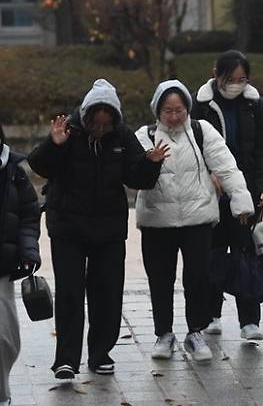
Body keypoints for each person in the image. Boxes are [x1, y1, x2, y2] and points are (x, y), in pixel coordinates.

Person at [28, 79, 167, 379]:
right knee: (70, 294)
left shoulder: (122, 136)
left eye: (106, 125)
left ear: (114, 120)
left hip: (108, 229)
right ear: (86, 116)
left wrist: (151, 163)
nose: (100, 130)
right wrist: (55, 144)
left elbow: (137, 178)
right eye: (96, 124)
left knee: (107, 293)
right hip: (68, 227)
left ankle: (100, 352)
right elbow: (39, 166)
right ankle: (66, 359)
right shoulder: (68, 131)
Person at [135, 79, 254, 362]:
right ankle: (163, 333)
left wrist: (240, 199)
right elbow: (135, 176)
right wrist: (149, 162)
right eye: (168, 111)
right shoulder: (144, 135)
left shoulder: (202, 130)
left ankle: (195, 331)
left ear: (188, 108)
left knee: (198, 277)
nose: (174, 117)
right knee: (160, 279)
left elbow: (226, 165)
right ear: (157, 111)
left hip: (198, 219)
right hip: (156, 221)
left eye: (179, 110)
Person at [191, 50, 263, 341]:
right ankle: (211, 314)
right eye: (231, 79)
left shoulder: (256, 106)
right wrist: (208, 174)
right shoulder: (200, 106)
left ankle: (249, 320)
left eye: (242, 79)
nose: (237, 84)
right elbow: (190, 147)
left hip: (249, 190)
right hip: (212, 192)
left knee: (246, 253)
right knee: (212, 254)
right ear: (217, 74)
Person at [0, 124, 41, 406]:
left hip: (1, 268)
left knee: (5, 337)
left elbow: (28, 214)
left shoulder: (12, 170)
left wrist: (28, 251)